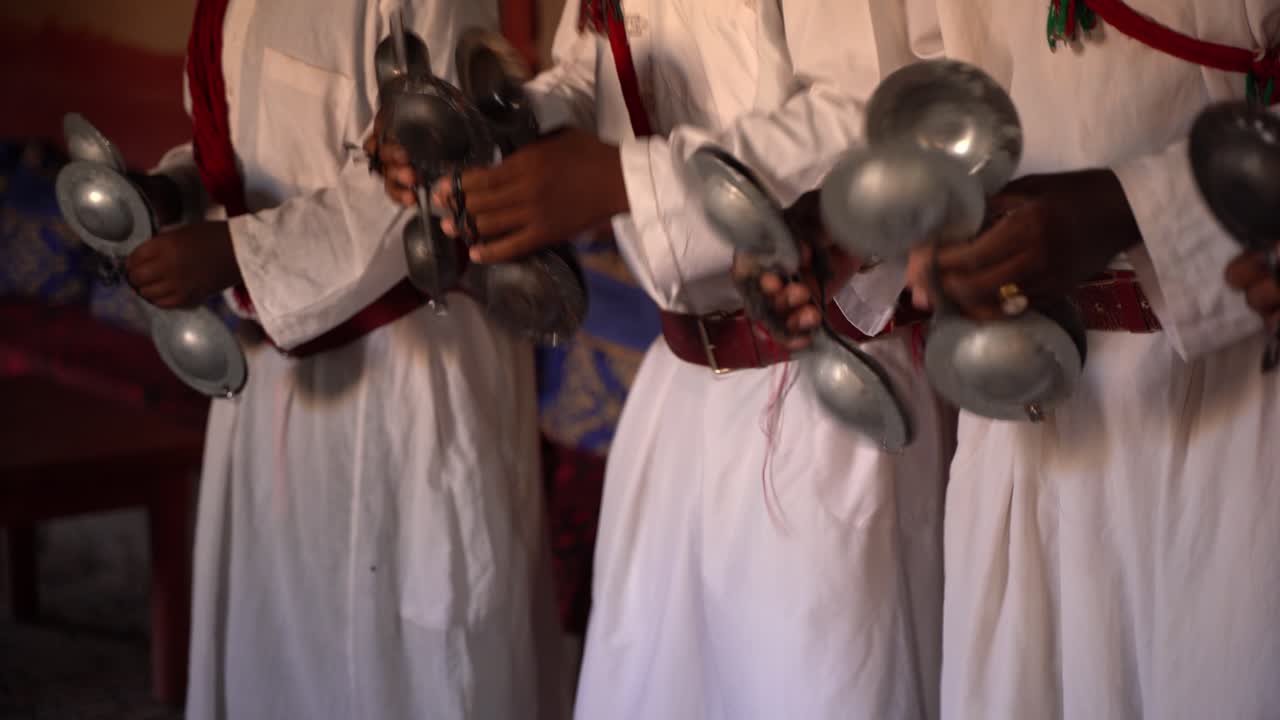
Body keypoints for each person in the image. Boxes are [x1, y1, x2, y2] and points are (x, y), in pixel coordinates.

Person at [378, 1, 952, 717]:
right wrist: (492, 136)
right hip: (678, 391)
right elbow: (590, 77)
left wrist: (627, 181)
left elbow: (869, 114)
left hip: (825, 391)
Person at [818, 0, 1280, 716]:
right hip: (1027, 398)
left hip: (1241, 396)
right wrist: (873, 219)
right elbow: (924, 80)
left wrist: (1137, 208)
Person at [122, 1, 564, 718]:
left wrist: (237, 252)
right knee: (278, 653)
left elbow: (438, 174)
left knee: (406, 672)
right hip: (269, 370)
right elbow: (234, 145)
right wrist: (174, 189)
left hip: (410, 378)